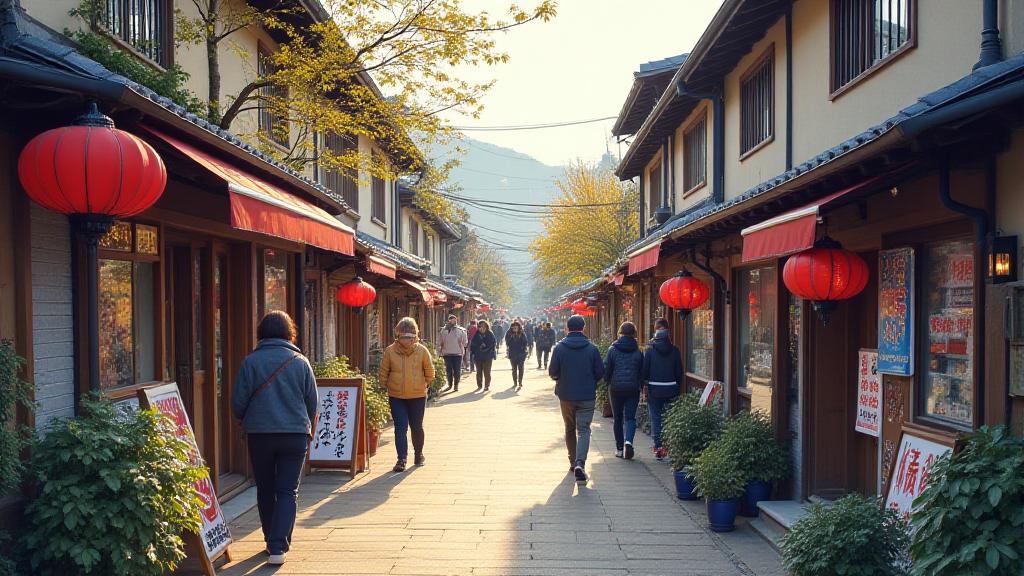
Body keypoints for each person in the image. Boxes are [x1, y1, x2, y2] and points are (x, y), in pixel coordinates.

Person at [232, 311, 319, 566]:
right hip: (295, 434)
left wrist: (243, 417)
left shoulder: (250, 362)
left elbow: (238, 401)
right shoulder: (300, 361)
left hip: (260, 434)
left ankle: (271, 538)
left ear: (261, 333)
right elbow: (312, 401)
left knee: (266, 488)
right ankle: (279, 545)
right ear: (289, 332)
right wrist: (308, 426)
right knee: (287, 490)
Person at [548, 314, 605, 483]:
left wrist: (560, 378)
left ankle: (573, 462)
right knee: (584, 429)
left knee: (569, 427)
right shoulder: (592, 348)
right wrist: (591, 381)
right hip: (587, 395)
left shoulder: (559, 348)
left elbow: (552, 372)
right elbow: (600, 372)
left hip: (566, 394)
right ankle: (580, 462)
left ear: (567, 327)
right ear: (583, 328)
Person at [379, 317, 435, 472]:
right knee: (400, 427)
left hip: (417, 396)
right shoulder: (390, 351)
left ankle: (418, 454)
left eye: (409, 336)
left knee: (416, 426)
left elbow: (429, 370)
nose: (406, 339)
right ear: (398, 335)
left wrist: (425, 383)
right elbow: (384, 370)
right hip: (397, 396)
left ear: (414, 335)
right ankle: (401, 459)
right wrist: (384, 384)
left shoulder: (422, 351)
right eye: (403, 336)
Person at [642, 326, 683, 461]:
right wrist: (677, 385)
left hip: (654, 389)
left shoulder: (650, 352)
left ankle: (659, 447)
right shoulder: (675, 351)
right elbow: (679, 372)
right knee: (670, 417)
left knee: (656, 418)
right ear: (668, 338)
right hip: (671, 388)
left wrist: (644, 385)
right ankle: (671, 445)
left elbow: (645, 371)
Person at [603, 322, 643, 460]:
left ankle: (619, 449)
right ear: (634, 334)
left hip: (615, 388)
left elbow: (607, 369)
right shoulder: (638, 351)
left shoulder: (612, 349)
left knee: (618, 418)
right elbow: (641, 371)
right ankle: (628, 441)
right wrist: (641, 385)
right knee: (630, 418)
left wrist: (606, 381)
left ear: (620, 332)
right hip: (633, 388)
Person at [437, 314, 468, 393]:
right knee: (449, 370)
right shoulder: (443, 330)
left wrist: (462, 344)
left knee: (456, 370)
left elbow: (465, 343)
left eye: (454, 320)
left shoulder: (461, 330)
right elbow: (439, 342)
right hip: (447, 354)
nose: (453, 321)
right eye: (452, 320)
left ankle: (455, 384)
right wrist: (439, 352)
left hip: (457, 354)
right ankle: (450, 384)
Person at [470, 319, 497, 391]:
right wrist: (475, 349)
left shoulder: (490, 334)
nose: (482, 328)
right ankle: (479, 385)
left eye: (483, 326)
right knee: (479, 371)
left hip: (488, 356)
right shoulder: (476, 335)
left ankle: (487, 385)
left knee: (487, 372)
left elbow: (493, 344)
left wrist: (486, 347)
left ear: (486, 327)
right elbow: (472, 345)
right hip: (478, 356)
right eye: (480, 326)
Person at [505, 320, 529, 391]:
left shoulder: (522, 333)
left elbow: (525, 342)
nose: (515, 328)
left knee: (521, 368)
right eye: (514, 327)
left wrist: (520, 338)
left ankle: (520, 381)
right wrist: (512, 337)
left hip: (521, 354)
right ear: (512, 328)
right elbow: (507, 343)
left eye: (516, 327)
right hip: (512, 354)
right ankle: (515, 382)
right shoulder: (509, 333)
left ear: (519, 327)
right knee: (514, 369)